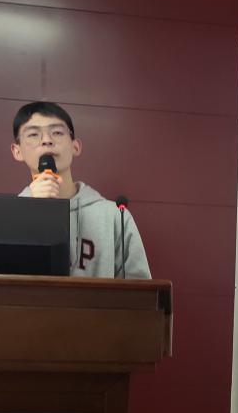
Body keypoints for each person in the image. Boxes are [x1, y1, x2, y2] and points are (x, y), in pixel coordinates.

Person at [9, 101, 151, 279]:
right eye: (33, 134)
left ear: (75, 146)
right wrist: (28, 210)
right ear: (17, 151)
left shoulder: (114, 216)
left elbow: (140, 287)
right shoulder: (8, 218)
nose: (46, 140)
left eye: (57, 132)